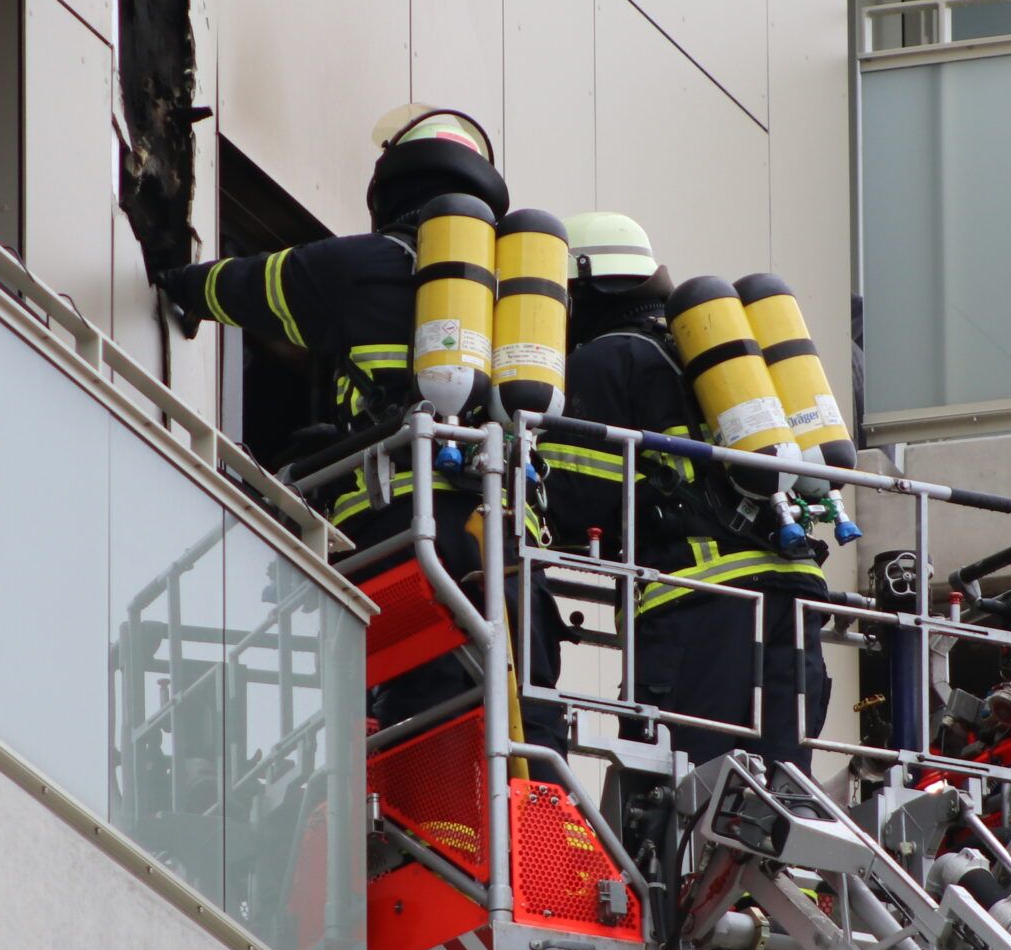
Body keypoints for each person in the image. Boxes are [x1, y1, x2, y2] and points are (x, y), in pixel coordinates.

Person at [154, 106, 564, 750]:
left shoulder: (355, 266)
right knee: (530, 720)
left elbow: (249, 287)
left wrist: (179, 281)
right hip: (511, 539)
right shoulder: (523, 297)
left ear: (391, 187)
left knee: (418, 720)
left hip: (404, 527)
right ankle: (533, 807)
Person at [539, 212, 827, 773]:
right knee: (782, 794)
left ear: (580, 289)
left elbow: (572, 498)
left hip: (701, 606)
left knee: (684, 798)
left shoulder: (605, 360)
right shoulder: (707, 361)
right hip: (794, 600)